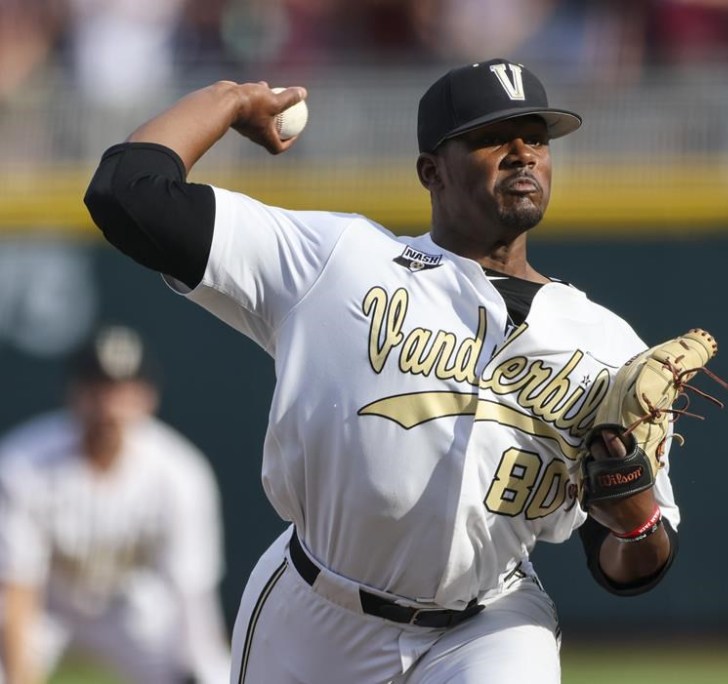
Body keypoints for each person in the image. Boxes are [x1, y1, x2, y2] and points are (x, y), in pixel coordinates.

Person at [82, 58, 682, 683]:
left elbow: (631, 566)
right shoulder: (338, 261)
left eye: (535, 137)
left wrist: (635, 520)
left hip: (490, 623)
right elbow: (127, 192)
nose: (522, 154)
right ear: (432, 172)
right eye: (490, 137)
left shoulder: (608, 345)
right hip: (315, 615)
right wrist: (229, 99)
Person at [0, 325, 231, 684]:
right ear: (73, 395)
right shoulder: (23, 464)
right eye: (97, 391)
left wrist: (205, 668)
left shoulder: (180, 473)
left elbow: (192, 593)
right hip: (50, 608)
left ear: (148, 398)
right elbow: (16, 589)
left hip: (129, 612)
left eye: (123, 392)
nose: (109, 407)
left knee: (209, 670)